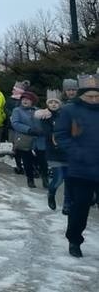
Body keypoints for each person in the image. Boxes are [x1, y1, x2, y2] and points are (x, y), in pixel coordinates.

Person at [54, 73, 99, 258]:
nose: (94, 100)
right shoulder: (69, 110)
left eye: (97, 96)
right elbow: (61, 136)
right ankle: (74, 240)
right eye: (90, 97)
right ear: (81, 95)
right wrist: (78, 153)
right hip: (81, 169)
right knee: (80, 207)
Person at [38, 91, 71, 213]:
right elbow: (47, 132)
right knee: (59, 178)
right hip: (54, 151)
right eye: (50, 102)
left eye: (56, 102)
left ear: (60, 104)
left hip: (67, 151)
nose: (53, 104)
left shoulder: (65, 114)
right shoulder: (45, 116)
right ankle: (51, 193)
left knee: (69, 180)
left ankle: (67, 204)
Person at [11, 90, 48, 189]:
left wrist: (43, 130)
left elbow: (45, 123)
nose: (25, 101)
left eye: (28, 99)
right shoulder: (17, 110)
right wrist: (28, 130)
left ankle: (45, 179)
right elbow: (15, 123)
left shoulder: (38, 111)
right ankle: (30, 179)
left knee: (43, 161)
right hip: (25, 139)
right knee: (27, 161)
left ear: (32, 101)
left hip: (39, 140)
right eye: (23, 99)